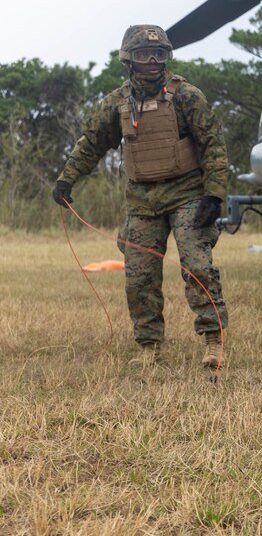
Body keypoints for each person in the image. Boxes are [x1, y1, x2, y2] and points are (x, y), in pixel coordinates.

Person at [52, 25, 229, 369]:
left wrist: (214, 196)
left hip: (187, 194)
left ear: (167, 57)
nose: (152, 60)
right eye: (143, 54)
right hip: (142, 201)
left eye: (159, 54)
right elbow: (90, 144)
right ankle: (150, 346)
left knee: (197, 268)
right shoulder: (117, 103)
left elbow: (213, 147)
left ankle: (212, 340)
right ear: (128, 60)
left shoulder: (186, 96)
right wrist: (66, 180)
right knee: (139, 277)